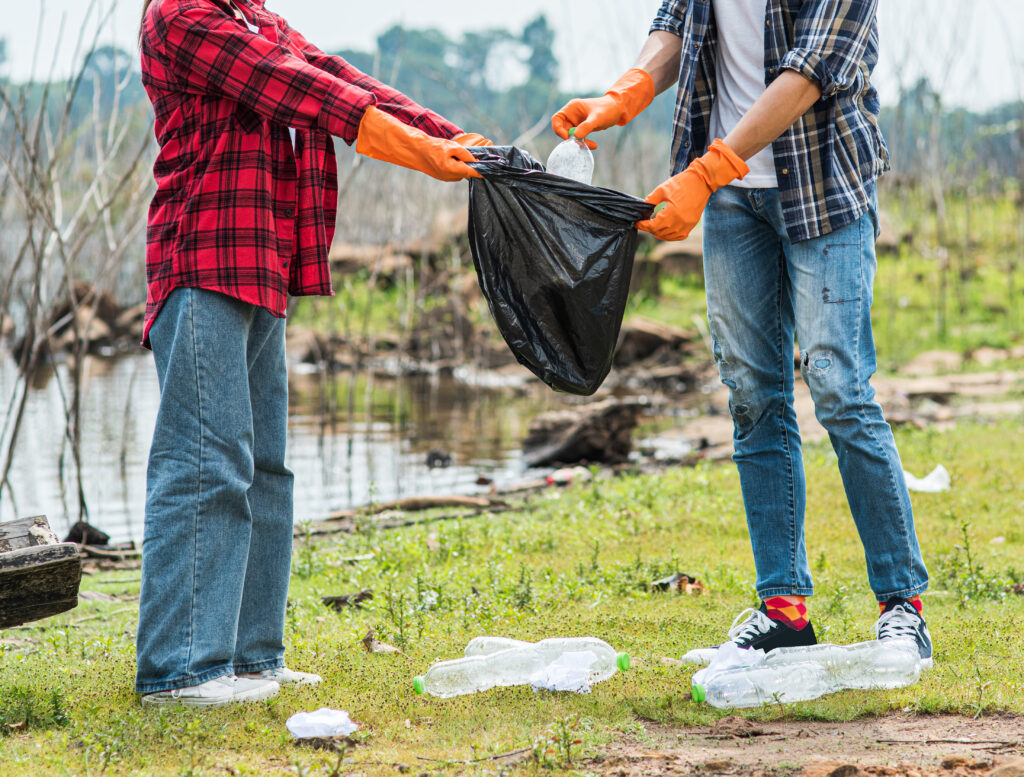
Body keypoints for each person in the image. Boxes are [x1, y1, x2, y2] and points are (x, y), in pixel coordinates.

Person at [552, 0, 932, 665]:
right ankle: (784, 610)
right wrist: (624, 93)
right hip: (731, 200)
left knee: (838, 384)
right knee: (753, 394)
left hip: (823, 188)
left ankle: (901, 603)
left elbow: (810, 69)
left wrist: (705, 170)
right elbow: (678, 24)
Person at [135, 0, 491, 707]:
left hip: (261, 263)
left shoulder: (253, 16)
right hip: (201, 260)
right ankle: (181, 669)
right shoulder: (181, 16)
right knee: (206, 463)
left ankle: (251, 658)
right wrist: (420, 153)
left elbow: (336, 74)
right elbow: (299, 89)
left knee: (266, 468)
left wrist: (455, 138)